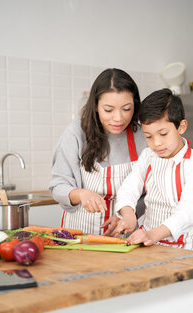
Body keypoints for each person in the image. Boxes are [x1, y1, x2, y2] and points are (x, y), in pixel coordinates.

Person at [49, 68, 147, 235]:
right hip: (78, 234)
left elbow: (150, 191)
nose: (118, 118)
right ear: (95, 105)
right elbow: (58, 186)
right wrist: (80, 194)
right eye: (108, 110)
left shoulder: (142, 136)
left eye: (126, 109)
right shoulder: (76, 133)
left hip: (125, 235)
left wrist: (128, 213)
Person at [114, 88, 193, 251]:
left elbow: (188, 211)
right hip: (150, 243)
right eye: (149, 136)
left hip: (186, 245)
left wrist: (154, 234)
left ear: (181, 127)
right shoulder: (147, 156)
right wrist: (128, 214)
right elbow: (129, 188)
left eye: (163, 133)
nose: (156, 143)